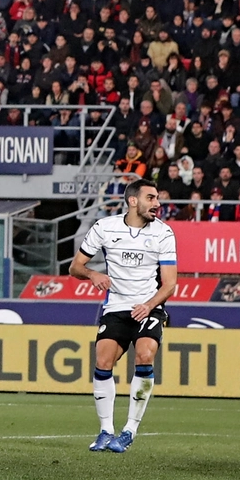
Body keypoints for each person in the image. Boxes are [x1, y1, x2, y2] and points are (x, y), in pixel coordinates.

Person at [68, 178, 178, 454]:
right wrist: (93, 274)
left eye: (157, 198)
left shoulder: (163, 233)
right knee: (103, 360)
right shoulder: (105, 227)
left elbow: (169, 284)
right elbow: (75, 267)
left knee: (144, 355)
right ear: (133, 200)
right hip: (116, 307)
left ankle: (129, 429)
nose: (157, 204)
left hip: (149, 307)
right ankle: (106, 430)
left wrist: (149, 305)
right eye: (151, 198)